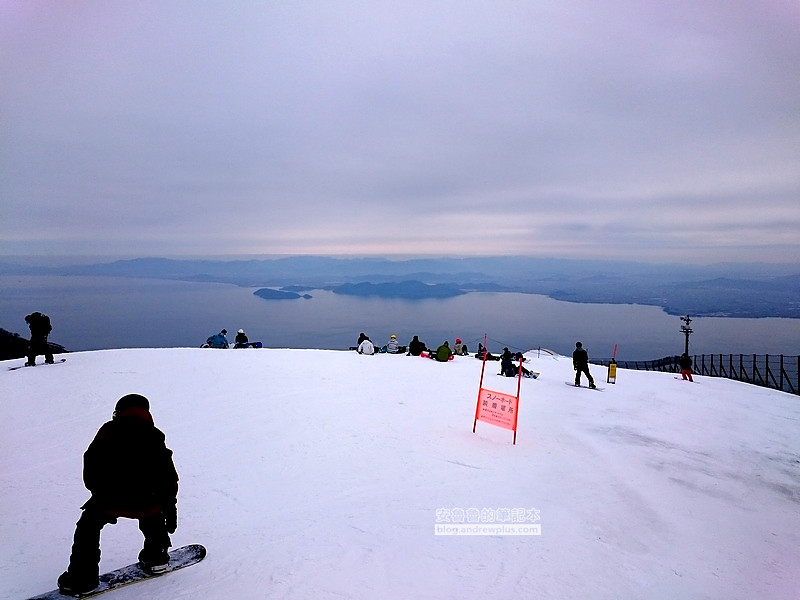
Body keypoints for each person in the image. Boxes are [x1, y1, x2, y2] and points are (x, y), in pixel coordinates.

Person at [57, 394, 179, 596]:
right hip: (146, 499)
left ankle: (82, 579)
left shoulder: (108, 430)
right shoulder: (154, 435)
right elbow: (168, 475)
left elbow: (91, 461)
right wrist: (169, 504)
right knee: (153, 516)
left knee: (89, 525)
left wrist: (98, 492)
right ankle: (156, 558)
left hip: (109, 498)